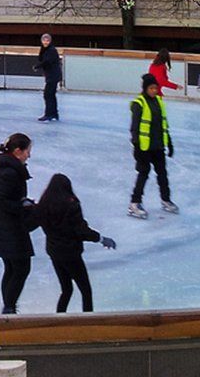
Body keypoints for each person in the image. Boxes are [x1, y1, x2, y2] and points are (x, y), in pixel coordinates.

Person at [36, 173, 116, 313]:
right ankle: (88, 322)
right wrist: (101, 239)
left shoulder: (44, 205)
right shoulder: (71, 205)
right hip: (70, 254)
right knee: (86, 290)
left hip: (54, 252)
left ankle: (59, 320)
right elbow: (81, 230)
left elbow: (32, 221)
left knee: (66, 290)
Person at [0, 133, 36, 314]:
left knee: (12, 267)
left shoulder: (4, 167)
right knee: (21, 267)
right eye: (27, 151)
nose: (29, 155)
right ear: (17, 151)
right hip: (8, 228)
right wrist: (23, 205)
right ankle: (9, 309)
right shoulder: (9, 172)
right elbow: (1, 200)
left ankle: (9, 307)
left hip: (2, 225)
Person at [128, 73, 178, 219]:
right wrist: (136, 146)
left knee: (162, 174)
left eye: (156, 88)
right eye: (151, 88)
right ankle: (134, 203)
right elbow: (135, 128)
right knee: (143, 174)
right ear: (145, 88)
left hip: (158, 147)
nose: (154, 91)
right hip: (144, 148)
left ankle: (166, 199)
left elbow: (164, 125)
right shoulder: (139, 103)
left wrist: (169, 142)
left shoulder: (159, 102)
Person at [36, 34, 60, 122]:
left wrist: (37, 66)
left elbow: (47, 62)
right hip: (51, 75)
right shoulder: (45, 50)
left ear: (50, 41)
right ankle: (54, 114)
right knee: (51, 95)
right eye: (44, 40)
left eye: (47, 41)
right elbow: (41, 58)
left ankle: (49, 114)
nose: (45, 42)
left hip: (53, 75)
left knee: (48, 95)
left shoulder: (52, 50)